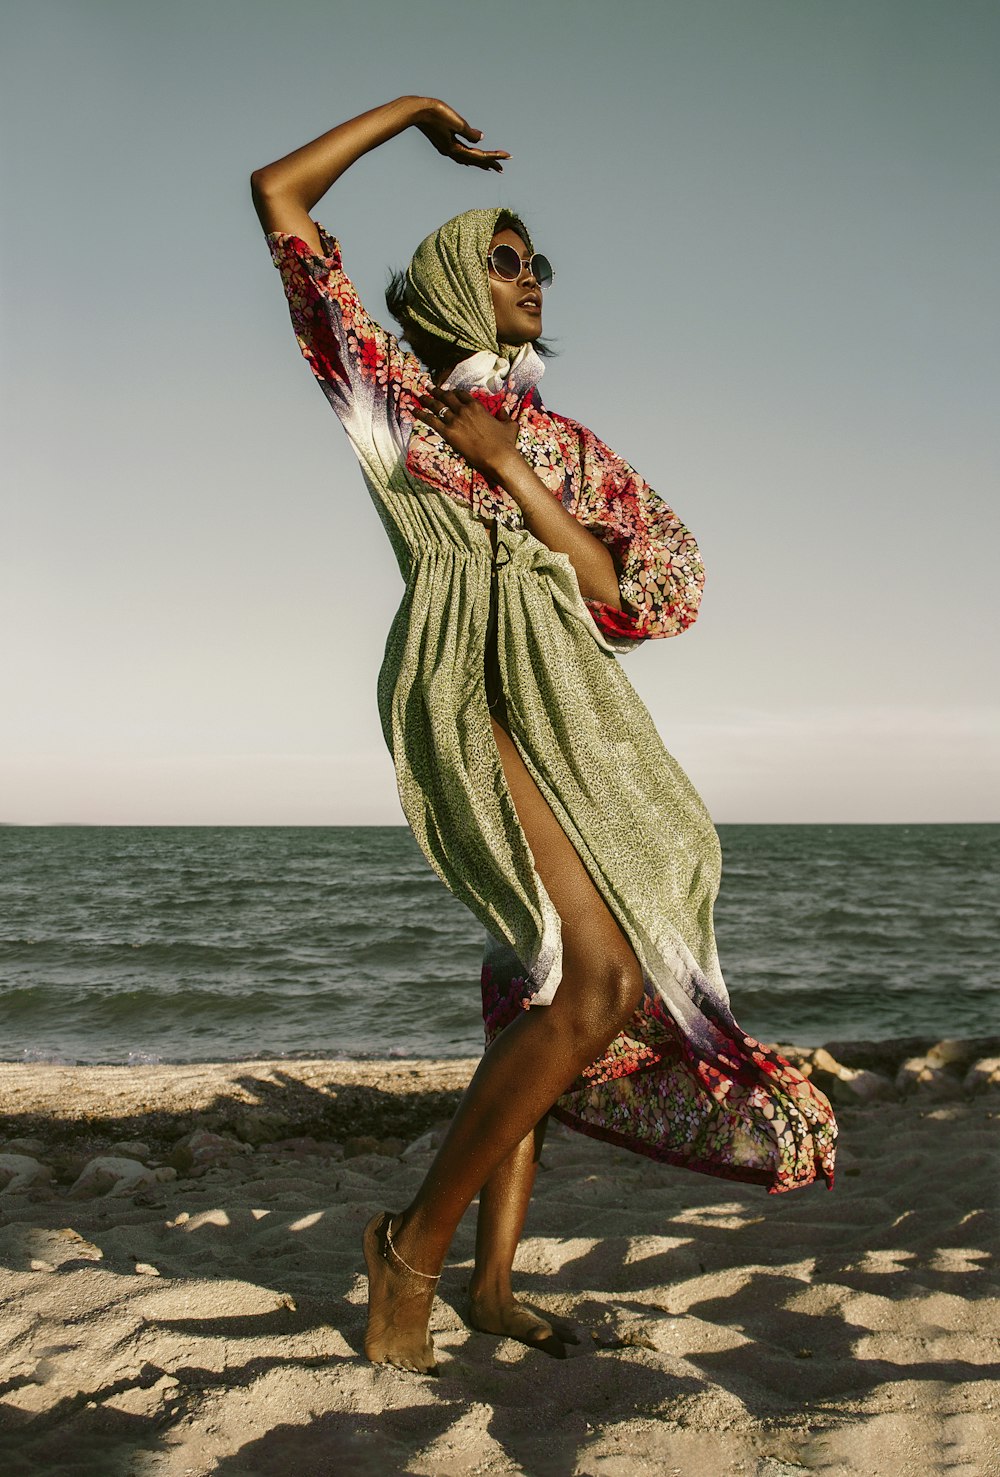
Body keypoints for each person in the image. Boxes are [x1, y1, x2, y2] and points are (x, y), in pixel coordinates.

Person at [251, 95, 838, 1375]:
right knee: (598, 982)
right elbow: (280, 200)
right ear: (462, 275)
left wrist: (514, 470)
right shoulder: (385, 396)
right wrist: (410, 113)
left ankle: (491, 1282)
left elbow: (645, 591)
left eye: (539, 266)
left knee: (546, 988)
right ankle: (406, 1249)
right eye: (507, 260)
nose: (533, 279)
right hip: (475, 680)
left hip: (578, 701)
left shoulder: (563, 444)